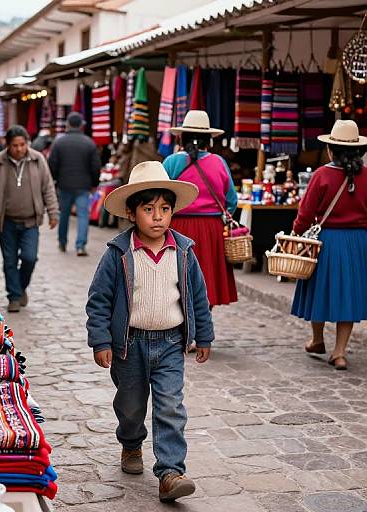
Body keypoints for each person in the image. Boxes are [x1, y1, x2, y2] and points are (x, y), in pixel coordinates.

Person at [86, 161, 214, 503]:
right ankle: (131, 443)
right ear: (131, 213)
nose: (158, 217)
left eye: (165, 209)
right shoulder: (118, 254)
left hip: (171, 342)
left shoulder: (184, 252)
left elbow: (198, 296)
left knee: (170, 405)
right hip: (129, 345)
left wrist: (204, 335)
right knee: (130, 406)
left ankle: (170, 472)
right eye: (148, 209)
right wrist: (100, 340)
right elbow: (98, 301)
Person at [292, 120, 367, 371]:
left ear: (330, 150)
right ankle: (340, 352)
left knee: (319, 291)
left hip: (327, 241)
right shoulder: (366, 175)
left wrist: (296, 233)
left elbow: (306, 213)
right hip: (358, 242)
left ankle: (317, 339)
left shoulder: (322, 175)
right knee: (348, 295)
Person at [163, 110, 238, 309]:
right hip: (211, 230)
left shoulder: (171, 162)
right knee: (207, 281)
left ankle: (182, 332)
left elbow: (159, 195)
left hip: (177, 228)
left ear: (182, 137)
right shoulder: (218, 162)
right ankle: (202, 330)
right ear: (208, 140)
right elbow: (231, 200)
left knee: (178, 280)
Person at [0, 125, 59, 313]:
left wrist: (53, 212)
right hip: (6, 222)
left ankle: (21, 286)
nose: (19, 149)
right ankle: (14, 296)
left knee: (29, 258)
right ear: (7, 145)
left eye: (22, 145)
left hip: (30, 221)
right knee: (9, 261)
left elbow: (48, 187)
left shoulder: (37, 159)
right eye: (15, 145)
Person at [48, 111, 101, 256]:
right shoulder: (89, 143)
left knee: (63, 214)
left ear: (68, 124)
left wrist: (56, 179)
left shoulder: (59, 142)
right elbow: (96, 166)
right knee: (83, 215)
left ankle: (62, 242)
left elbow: (52, 163)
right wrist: (94, 183)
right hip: (83, 186)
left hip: (64, 185)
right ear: (81, 125)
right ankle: (80, 246)